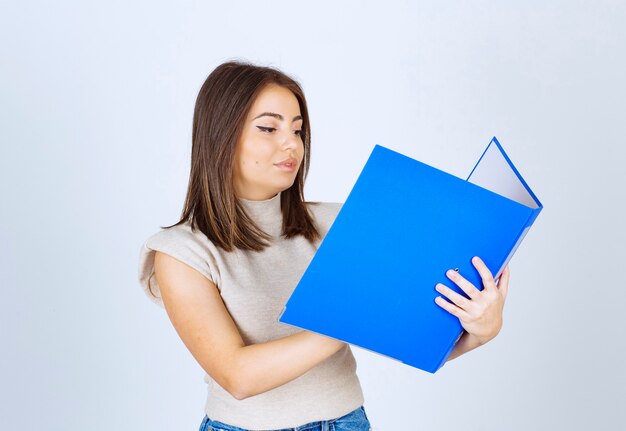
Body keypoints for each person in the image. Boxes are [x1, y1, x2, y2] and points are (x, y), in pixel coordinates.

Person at [138, 60, 510, 431]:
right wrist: (350, 319)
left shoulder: (340, 223)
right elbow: (238, 376)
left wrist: (481, 329)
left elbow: (416, 341)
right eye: (269, 127)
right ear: (220, 136)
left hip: (347, 422)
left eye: (298, 130)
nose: (291, 144)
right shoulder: (180, 252)